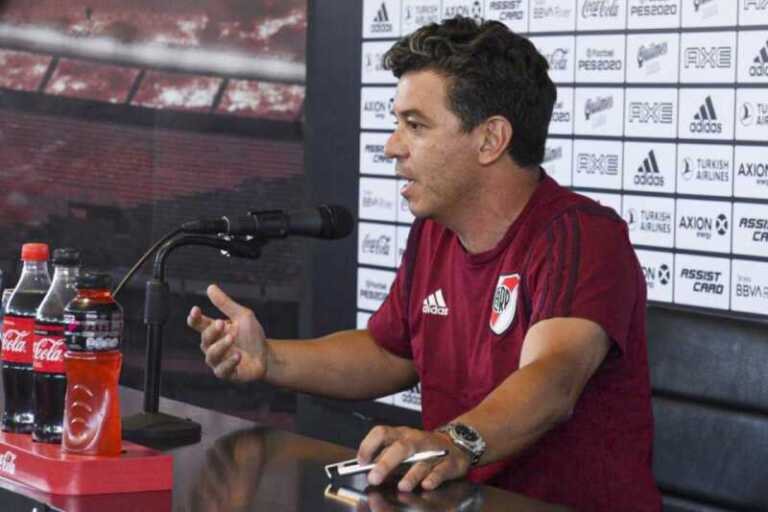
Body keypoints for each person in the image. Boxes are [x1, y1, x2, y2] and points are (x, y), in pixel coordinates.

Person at [188, 17, 661, 511]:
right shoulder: (435, 232)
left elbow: (553, 377)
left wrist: (455, 442)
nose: (392, 146)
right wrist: (269, 358)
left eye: (415, 125)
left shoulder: (582, 235)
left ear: (490, 139)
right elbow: (390, 353)